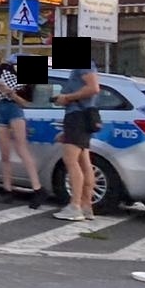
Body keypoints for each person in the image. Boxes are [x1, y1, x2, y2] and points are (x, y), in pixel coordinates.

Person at [0, 58, 42, 208]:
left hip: (15, 109)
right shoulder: (4, 68)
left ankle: (38, 189)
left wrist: (11, 93)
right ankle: (7, 190)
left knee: (21, 149)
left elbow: (27, 103)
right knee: (5, 153)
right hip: (0, 109)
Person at [53, 63, 102, 220]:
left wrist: (67, 98)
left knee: (71, 161)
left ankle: (75, 206)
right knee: (84, 162)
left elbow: (93, 88)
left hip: (77, 117)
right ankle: (86, 205)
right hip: (82, 117)